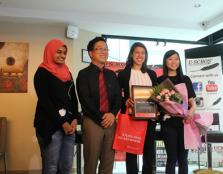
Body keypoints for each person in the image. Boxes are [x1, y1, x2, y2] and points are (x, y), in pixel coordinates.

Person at [76, 37, 121, 174]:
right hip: (92, 121)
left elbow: (118, 98)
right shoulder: (83, 74)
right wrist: (102, 117)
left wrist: (112, 114)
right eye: (99, 48)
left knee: (108, 162)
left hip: (111, 121)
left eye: (106, 49)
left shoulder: (112, 74)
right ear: (91, 53)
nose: (104, 51)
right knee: (91, 161)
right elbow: (85, 100)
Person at [34, 39, 79, 174]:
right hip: (50, 126)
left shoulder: (67, 72)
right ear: (50, 52)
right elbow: (45, 101)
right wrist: (62, 123)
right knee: (51, 166)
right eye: (59, 52)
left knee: (66, 166)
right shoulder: (42, 73)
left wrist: (75, 118)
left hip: (69, 125)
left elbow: (74, 97)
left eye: (64, 53)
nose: (62, 55)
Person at [118, 42, 158, 174]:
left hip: (149, 119)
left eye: (143, 53)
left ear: (146, 56)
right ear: (131, 54)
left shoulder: (152, 74)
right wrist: (126, 101)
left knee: (149, 153)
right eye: (137, 52)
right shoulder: (124, 74)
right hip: (131, 117)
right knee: (131, 152)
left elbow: (156, 95)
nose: (140, 55)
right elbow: (118, 96)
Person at [158, 50, 196, 174]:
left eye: (176, 59)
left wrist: (192, 110)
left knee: (183, 158)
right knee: (172, 158)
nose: (174, 62)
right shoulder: (160, 80)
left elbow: (191, 101)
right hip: (168, 124)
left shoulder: (185, 79)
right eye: (170, 59)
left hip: (185, 123)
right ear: (165, 61)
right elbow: (157, 103)